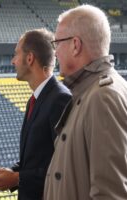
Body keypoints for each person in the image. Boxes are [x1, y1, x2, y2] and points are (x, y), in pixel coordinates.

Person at [44, 5, 127, 200]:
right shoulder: (91, 90)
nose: (55, 53)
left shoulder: (103, 97)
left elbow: (110, 194)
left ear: (75, 45)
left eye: (56, 43)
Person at [0, 28, 71, 199]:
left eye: (16, 54)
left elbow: (63, 165)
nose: (13, 61)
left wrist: (17, 178)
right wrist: (12, 171)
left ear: (30, 58)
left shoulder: (60, 99)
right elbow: (36, 160)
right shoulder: (37, 99)